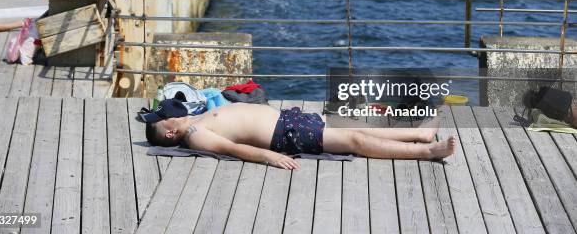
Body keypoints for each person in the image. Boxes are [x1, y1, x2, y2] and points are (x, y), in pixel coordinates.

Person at [140, 100, 456, 170]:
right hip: (285, 135)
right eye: (166, 120)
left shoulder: (197, 117)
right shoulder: (195, 134)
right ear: (170, 134)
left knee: (348, 125)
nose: (172, 114)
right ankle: (428, 151)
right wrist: (270, 156)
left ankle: (420, 133)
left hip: (287, 120)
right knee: (353, 141)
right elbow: (231, 149)